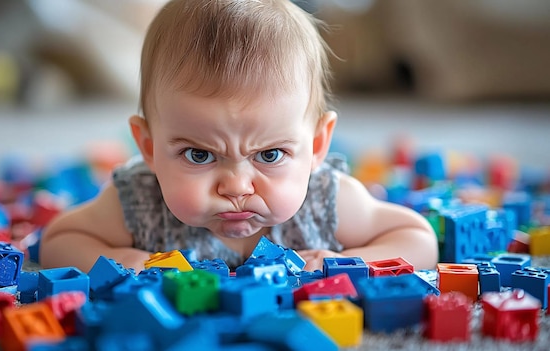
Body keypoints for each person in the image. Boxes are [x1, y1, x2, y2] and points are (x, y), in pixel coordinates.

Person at [40, 0, 438, 273]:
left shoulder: (325, 201)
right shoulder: (141, 201)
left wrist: (355, 262)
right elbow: (59, 240)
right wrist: (118, 258)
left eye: (269, 155)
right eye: (199, 155)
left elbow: (418, 239)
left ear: (316, 146)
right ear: (148, 148)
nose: (237, 186)